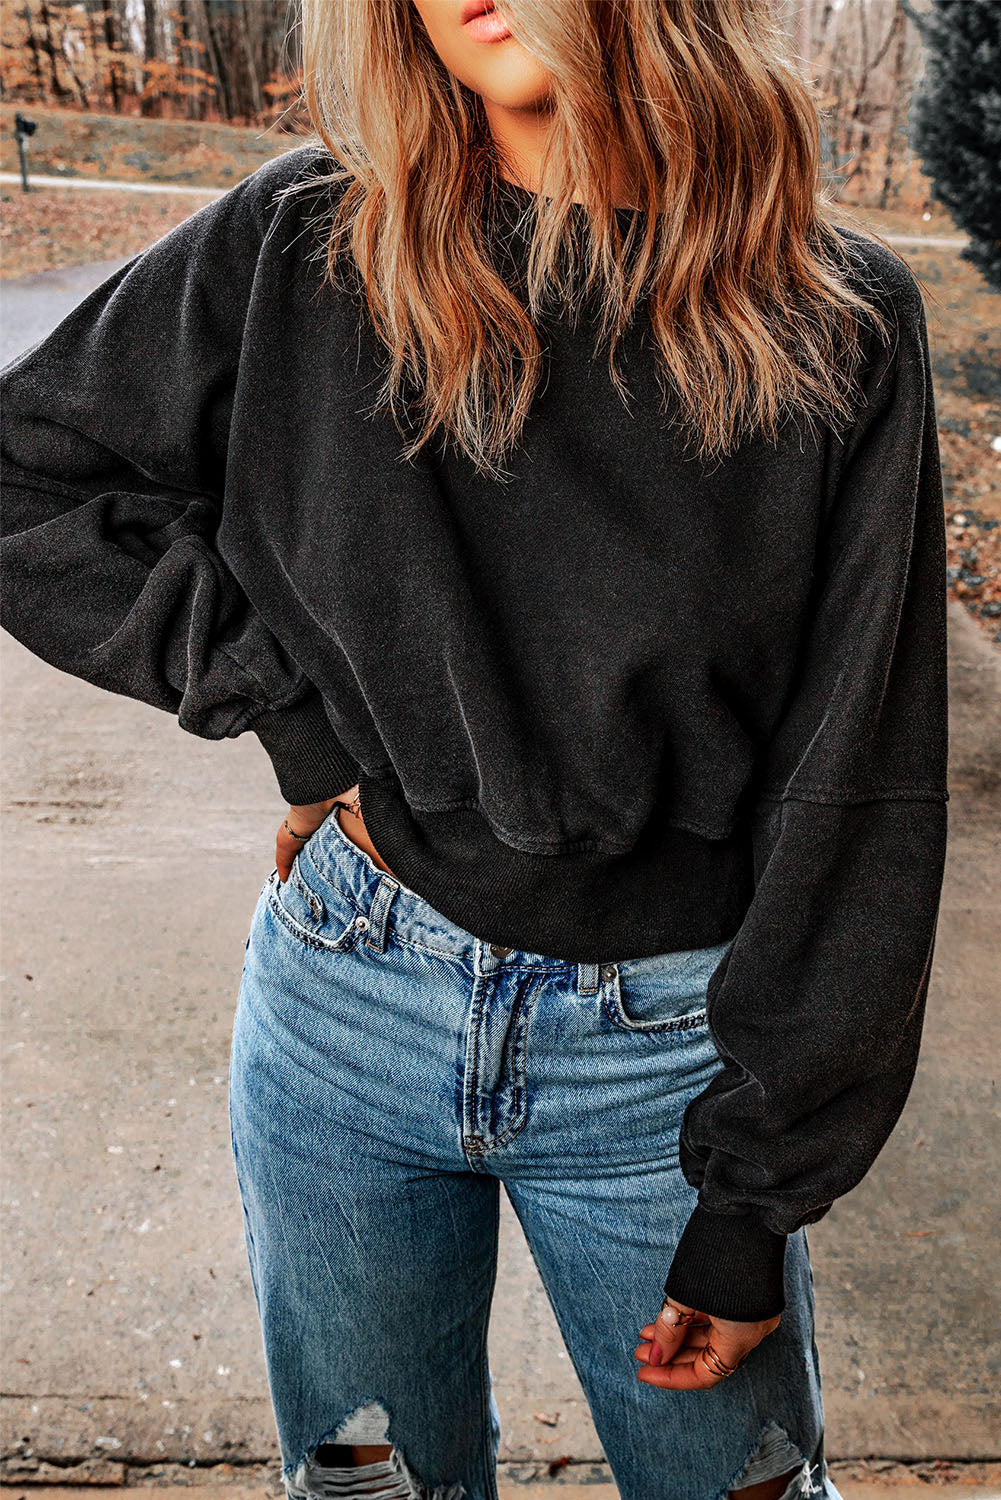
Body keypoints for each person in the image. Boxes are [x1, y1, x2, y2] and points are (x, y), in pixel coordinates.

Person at [0, 0, 950, 1497]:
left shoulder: (833, 317)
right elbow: (28, 483)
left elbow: (859, 783)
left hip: (668, 1070)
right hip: (345, 1002)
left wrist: (755, 1194)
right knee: (367, 1487)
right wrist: (298, 723)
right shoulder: (309, 241)